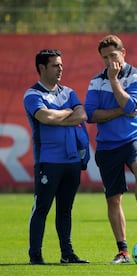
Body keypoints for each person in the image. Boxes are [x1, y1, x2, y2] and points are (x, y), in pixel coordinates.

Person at [85, 34, 137, 264]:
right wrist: (121, 110)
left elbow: (133, 105)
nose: (109, 61)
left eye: (113, 55)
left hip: (134, 137)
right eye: (105, 57)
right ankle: (123, 251)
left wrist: (114, 82)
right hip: (107, 146)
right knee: (114, 200)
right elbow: (91, 115)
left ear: (123, 53)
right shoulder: (96, 81)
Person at [24, 49, 89, 265]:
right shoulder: (33, 94)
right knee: (42, 207)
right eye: (55, 65)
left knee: (65, 209)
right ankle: (35, 254)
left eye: (61, 64)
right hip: (48, 161)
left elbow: (82, 115)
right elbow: (45, 116)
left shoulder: (68, 92)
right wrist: (67, 113)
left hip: (71, 160)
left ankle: (67, 254)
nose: (60, 68)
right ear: (42, 68)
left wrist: (59, 116)